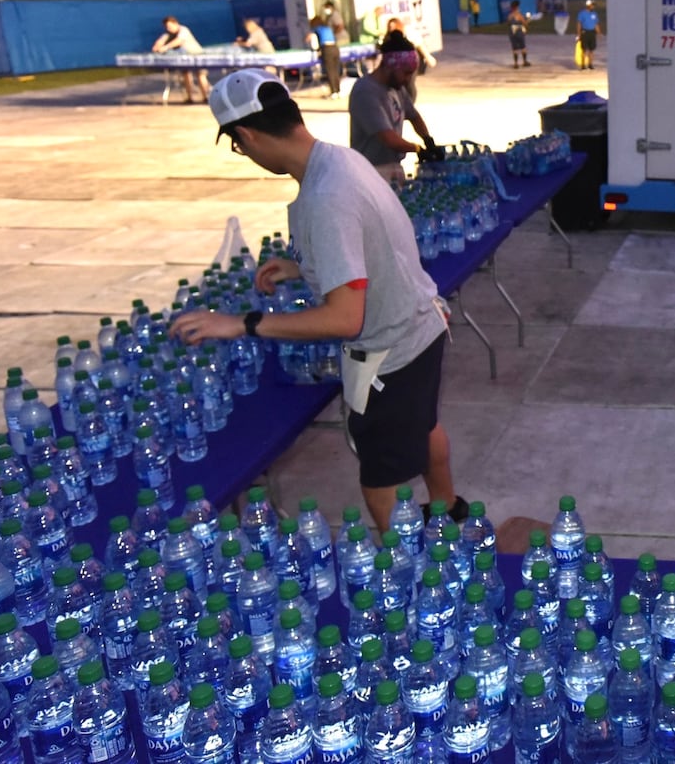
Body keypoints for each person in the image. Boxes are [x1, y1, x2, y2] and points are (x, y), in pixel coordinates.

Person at [168, 69, 467, 531]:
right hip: (422, 325)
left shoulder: (326, 197)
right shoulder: (338, 159)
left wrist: (244, 323)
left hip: (390, 354)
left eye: (237, 146)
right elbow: (367, 240)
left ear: (245, 135)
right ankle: (448, 508)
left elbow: (346, 318)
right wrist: (305, 267)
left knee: (380, 475)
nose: (243, 154)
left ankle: (403, 564)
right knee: (423, 424)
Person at [348, 32, 440, 184]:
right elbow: (388, 138)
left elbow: (414, 116)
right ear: (390, 67)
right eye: (406, 73)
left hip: (393, 167)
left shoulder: (396, 87)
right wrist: (417, 148)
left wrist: (428, 140)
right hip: (372, 171)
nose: (408, 79)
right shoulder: (366, 92)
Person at [151, 15, 210, 104]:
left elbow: (179, 41)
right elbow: (160, 42)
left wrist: (166, 47)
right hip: (184, 58)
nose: (168, 29)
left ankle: (206, 97)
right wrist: (157, 47)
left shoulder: (184, 30)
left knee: (200, 75)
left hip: (197, 55)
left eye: (170, 26)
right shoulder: (168, 34)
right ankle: (189, 98)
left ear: (176, 23)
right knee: (186, 75)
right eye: (167, 27)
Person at [306, 14, 342, 97]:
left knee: (330, 71)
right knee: (336, 70)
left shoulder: (316, 29)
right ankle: (338, 90)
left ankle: (333, 92)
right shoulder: (327, 28)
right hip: (335, 48)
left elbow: (309, 38)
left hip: (327, 49)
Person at [576, 0, 602, 69]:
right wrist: (579, 34)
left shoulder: (594, 14)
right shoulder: (582, 14)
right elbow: (579, 24)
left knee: (591, 49)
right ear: (588, 5)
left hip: (592, 33)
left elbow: (596, 24)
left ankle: (590, 64)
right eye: (592, 5)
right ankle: (583, 65)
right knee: (584, 50)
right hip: (585, 33)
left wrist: (599, 32)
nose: (593, 6)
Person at [506, 0, 531, 68]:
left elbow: (508, 23)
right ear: (517, 7)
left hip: (512, 32)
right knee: (523, 46)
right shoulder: (519, 15)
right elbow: (525, 24)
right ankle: (525, 61)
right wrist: (528, 19)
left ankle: (516, 63)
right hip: (519, 32)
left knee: (514, 47)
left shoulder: (510, 15)